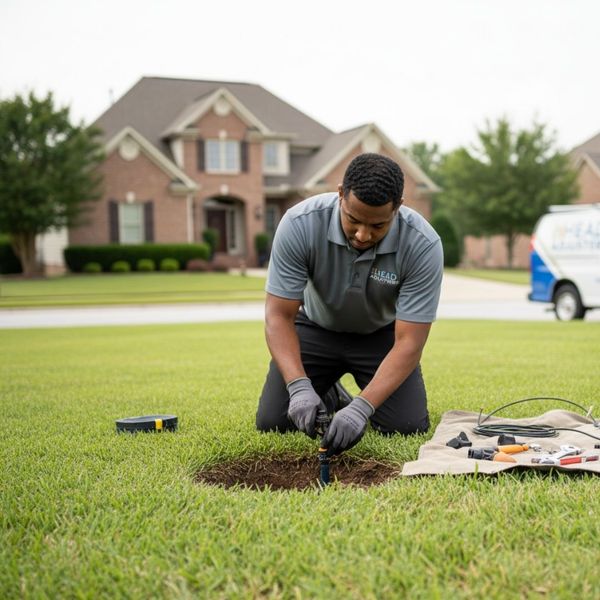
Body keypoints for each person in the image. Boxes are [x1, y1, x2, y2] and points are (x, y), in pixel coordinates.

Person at [255, 153, 443, 456]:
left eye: (378, 225)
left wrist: (363, 408)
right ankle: (324, 391)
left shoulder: (423, 244)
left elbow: (410, 341)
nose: (362, 234)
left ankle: (348, 402)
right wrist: (300, 387)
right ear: (341, 193)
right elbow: (278, 316)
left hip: (381, 336)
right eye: (353, 220)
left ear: (398, 207)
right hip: (315, 329)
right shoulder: (299, 223)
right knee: (274, 422)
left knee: (406, 425)